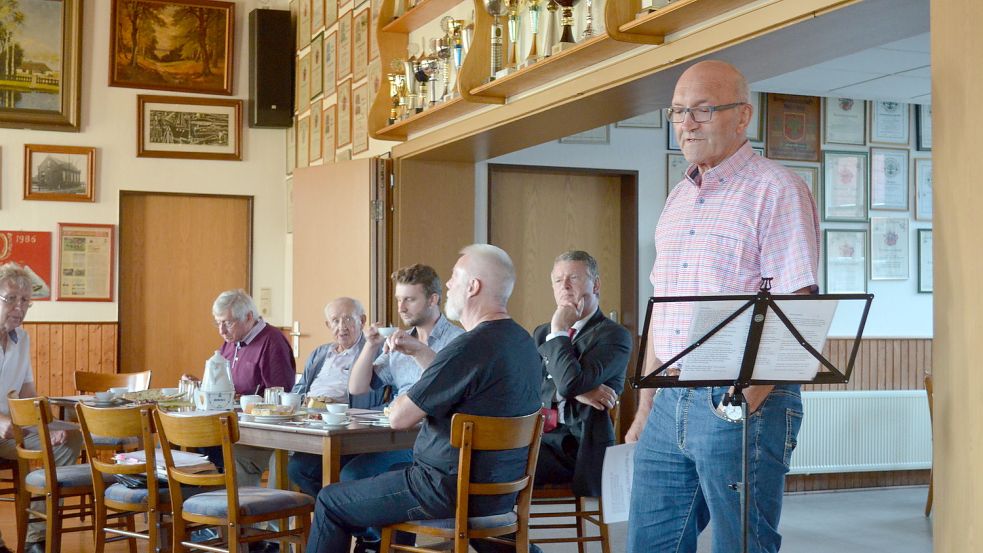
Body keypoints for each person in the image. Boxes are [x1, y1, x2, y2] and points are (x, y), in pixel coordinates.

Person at [625, 60, 820, 553]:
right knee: (651, 545)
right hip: (668, 399)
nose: (687, 123)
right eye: (678, 112)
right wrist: (645, 407)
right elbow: (663, 309)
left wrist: (742, 403)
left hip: (739, 397)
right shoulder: (677, 198)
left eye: (703, 110)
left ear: (742, 117)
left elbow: (795, 308)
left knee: (742, 546)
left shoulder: (776, 189)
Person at [305, 244, 541, 553]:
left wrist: (403, 394)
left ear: (473, 286)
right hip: (499, 490)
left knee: (330, 500)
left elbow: (399, 418)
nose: (448, 285)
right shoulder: (522, 342)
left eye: (455, 277)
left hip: (441, 489)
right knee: (388, 476)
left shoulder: (466, 348)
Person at [340, 265, 464, 551]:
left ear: (433, 300)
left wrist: (417, 350)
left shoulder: (457, 342)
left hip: (435, 439)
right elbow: (357, 387)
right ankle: (377, 541)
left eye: (410, 299)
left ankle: (377, 543)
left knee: (354, 475)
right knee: (339, 469)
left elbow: (449, 385)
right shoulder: (397, 341)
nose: (402, 307)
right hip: (398, 435)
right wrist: (370, 346)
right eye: (399, 300)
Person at [0, 263, 83, 553]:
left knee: (71, 436)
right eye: (10, 298)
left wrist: (46, 423)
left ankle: (36, 537)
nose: (18, 307)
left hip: (13, 430)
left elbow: (27, 391)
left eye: (25, 301)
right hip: (2, 426)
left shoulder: (22, 338)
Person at [534, 250, 631, 494]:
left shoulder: (613, 335)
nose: (564, 286)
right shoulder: (539, 333)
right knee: (486, 460)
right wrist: (577, 391)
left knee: (503, 467)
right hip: (539, 437)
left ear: (595, 284)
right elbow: (529, 387)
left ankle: (497, 530)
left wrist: (558, 329)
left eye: (573, 278)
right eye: (558, 280)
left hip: (578, 447)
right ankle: (494, 531)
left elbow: (569, 383)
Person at [287, 297, 387, 496]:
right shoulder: (320, 353)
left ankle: (335, 511)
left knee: (300, 468)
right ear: (327, 324)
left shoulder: (372, 352)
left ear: (362, 320)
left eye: (348, 319)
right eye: (335, 321)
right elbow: (300, 388)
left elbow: (377, 398)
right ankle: (335, 512)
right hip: (312, 424)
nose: (342, 327)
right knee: (295, 466)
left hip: (345, 430)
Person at [211, 289, 295, 488]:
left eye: (228, 323)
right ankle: (238, 516)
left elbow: (280, 395)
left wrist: (243, 400)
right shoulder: (231, 343)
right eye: (218, 323)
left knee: (232, 453)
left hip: (267, 431)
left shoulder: (272, 341)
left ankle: (274, 518)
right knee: (207, 449)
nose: (222, 331)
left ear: (249, 317)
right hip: (239, 427)